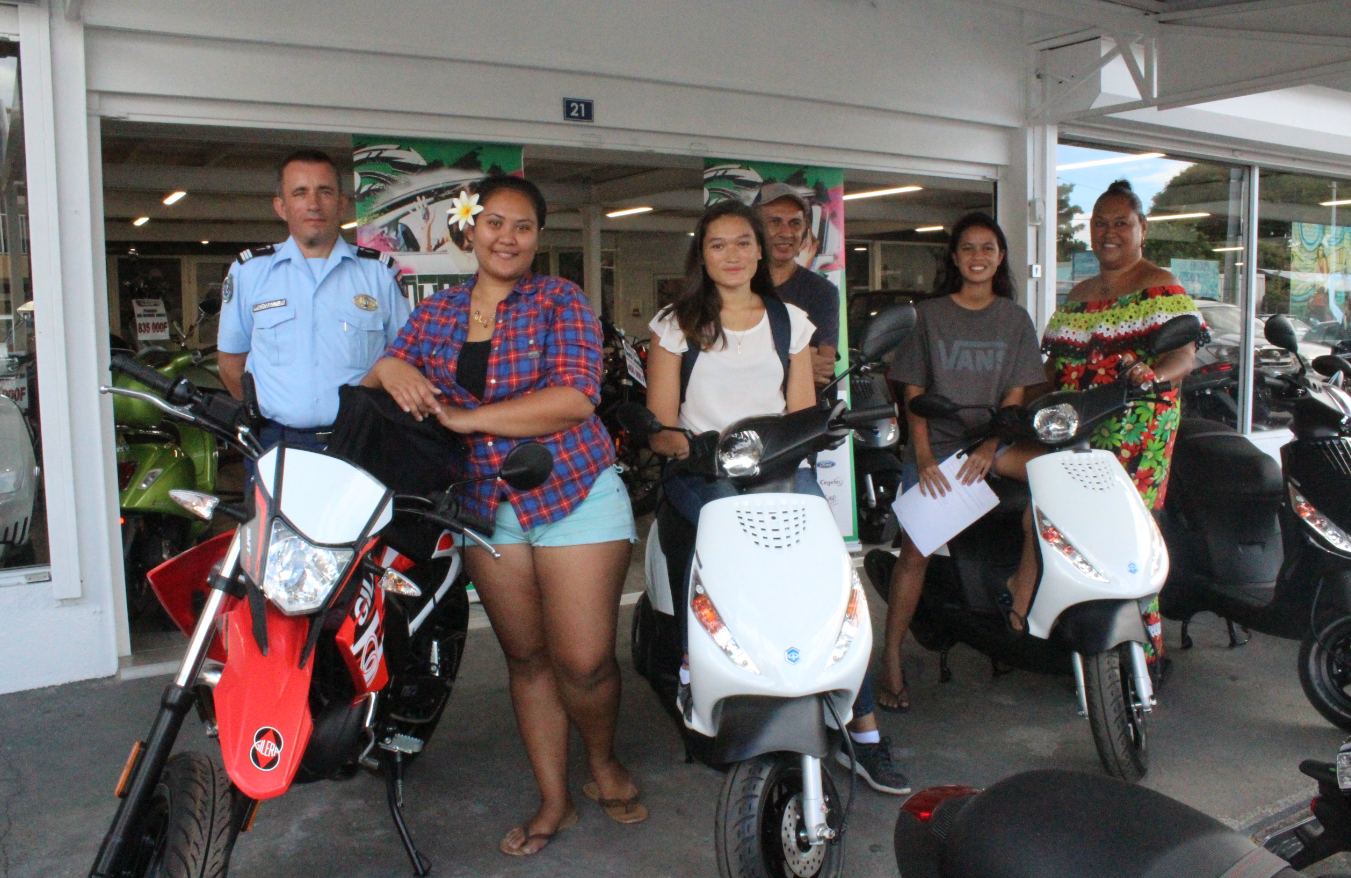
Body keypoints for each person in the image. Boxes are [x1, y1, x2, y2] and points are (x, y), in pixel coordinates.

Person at [361, 175, 643, 857]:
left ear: (537, 237)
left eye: (521, 226)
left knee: (585, 660)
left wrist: (468, 418)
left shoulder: (559, 299)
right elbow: (383, 378)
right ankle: (554, 799)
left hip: (573, 491)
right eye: (493, 222)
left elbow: (574, 397)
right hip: (489, 506)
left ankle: (601, 760)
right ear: (469, 229)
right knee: (526, 656)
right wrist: (390, 368)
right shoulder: (439, 312)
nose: (507, 237)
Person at [646, 200, 910, 795]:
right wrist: (694, 449)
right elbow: (663, 424)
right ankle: (699, 675)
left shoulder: (790, 320)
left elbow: (799, 415)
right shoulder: (676, 323)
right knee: (707, 571)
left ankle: (863, 732)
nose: (733, 255)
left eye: (744, 242)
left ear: (761, 250)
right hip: (705, 470)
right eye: (718, 245)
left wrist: (817, 430)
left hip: (778, 468)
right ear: (702, 254)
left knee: (834, 586)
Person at [877, 213, 1047, 712]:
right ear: (954, 258)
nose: (978, 257)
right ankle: (890, 660)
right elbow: (914, 393)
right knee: (916, 552)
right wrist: (925, 457)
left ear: (1000, 256)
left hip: (991, 445)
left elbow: (1015, 399)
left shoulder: (1014, 318)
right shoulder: (927, 315)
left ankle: (1020, 590)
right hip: (939, 445)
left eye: (987, 248)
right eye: (968, 249)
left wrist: (991, 447)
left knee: (1054, 487)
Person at [1042, 179, 1206, 673]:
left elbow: (1184, 353)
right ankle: (1093, 651)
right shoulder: (1081, 292)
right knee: (1080, 532)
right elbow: (1051, 361)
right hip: (1077, 428)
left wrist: (1152, 376)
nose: (1109, 232)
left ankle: (1144, 654)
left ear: (1142, 230)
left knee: (1129, 536)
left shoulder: (1161, 283)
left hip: (1138, 429)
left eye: (1120, 223)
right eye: (1100, 223)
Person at [756, 183, 839, 388]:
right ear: (756, 228)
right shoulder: (738, 286)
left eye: (795, 223)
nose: (786, 232)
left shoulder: (823, 291)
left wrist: (759, 362)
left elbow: (822, 371)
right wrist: (797, 361)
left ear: (804, 229)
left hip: (803, 414)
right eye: (775, 222)